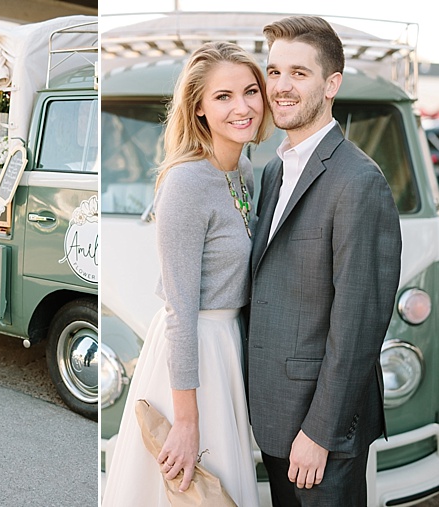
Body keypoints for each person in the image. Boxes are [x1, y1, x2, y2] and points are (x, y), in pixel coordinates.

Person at [102, 41, 272, 507]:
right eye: (223, 97)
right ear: (198, 108)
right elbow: (180, 309)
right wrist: (187, 420)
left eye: (251, 91)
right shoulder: (185, 182)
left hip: (228, 347)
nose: (243, 107)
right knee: (192, 488)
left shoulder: (245, 171)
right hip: (194, 351)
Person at [246, 16, 402, 506]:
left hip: (321, 432)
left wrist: (320, 433)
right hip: (273, 416)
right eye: (273, 72)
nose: (281, 87)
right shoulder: (273, 170)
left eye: (299, 73)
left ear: (331, 84)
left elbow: (359, 321)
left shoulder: (360, 181)